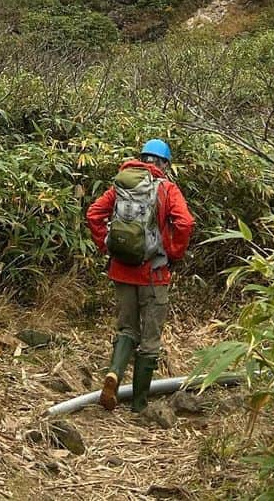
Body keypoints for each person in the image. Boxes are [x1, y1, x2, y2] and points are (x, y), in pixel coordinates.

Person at [86, 138, 195, 414]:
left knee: (126, 329)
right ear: (165, 164)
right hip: (153, 275)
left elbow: (94, 214)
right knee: (150, 338)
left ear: (142, 159)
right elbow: (185, 222)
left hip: (121, 270)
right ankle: (139, 404)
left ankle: (114, 374)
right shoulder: (167, 189)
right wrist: (172, 252)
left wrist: (106, 245)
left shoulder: (120, 186)